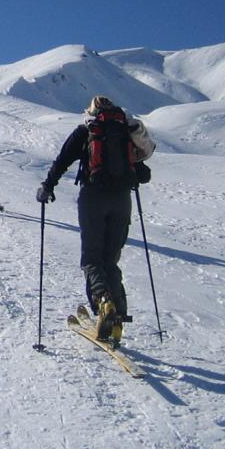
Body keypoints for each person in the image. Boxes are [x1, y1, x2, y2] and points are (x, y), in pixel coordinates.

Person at [35, 95, 154, 343]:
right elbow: (144, 174)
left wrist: (47, 186)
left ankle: (103, 302)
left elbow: (62, 161)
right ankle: (118, 318)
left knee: (91, 259)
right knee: (110, 260)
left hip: (93, 199)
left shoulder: (86, 131)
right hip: (122, 200)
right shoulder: (125, 132)